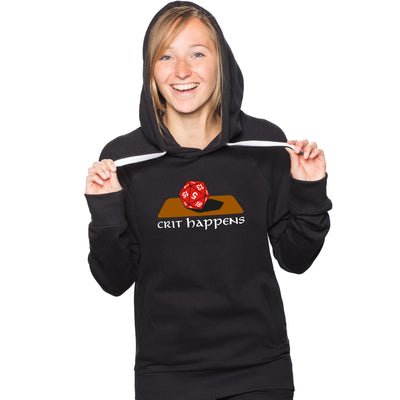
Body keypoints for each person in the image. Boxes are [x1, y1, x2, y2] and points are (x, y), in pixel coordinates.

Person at [84, 2, 332, 399]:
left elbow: (296, 259)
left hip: (258, 372)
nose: (182, 71)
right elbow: (114, 281)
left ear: (222, 62)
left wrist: (308, 190)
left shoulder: (264, 146)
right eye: (166, 57)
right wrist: (106, 215)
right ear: (151, 69)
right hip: (165, 376)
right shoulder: (125, 160)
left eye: (197, 54)